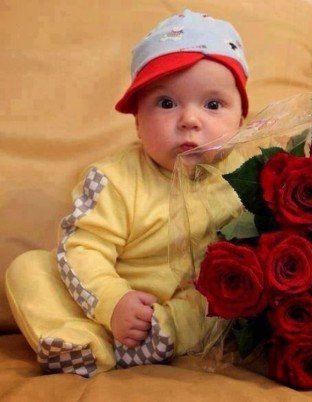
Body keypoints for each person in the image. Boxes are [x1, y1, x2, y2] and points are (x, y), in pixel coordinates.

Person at [4, 9, 250, 377]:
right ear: (137, 122)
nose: (190, 120)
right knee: (29, 269)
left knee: (224, 298)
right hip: (108, 304)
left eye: (213, 104)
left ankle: (164, 334)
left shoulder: (248, 176)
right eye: (166, 103)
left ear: (241, 120)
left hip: (185, 309)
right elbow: (84, 248)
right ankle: (84, 342)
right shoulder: (113, 179)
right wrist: (113, 301)